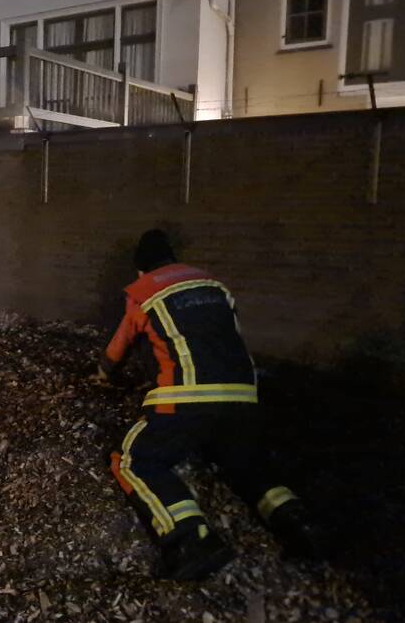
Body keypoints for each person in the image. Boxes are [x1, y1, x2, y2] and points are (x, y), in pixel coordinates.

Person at [97, 229, 326, 580]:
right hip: (243, 397)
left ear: (141, 268)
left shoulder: (144, 291)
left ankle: (192, 539)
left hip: (185, 399)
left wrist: (103, 373)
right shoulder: (212, 284)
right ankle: (297, 521)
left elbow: (121, 344)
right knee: (244, 464)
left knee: (134, 461)